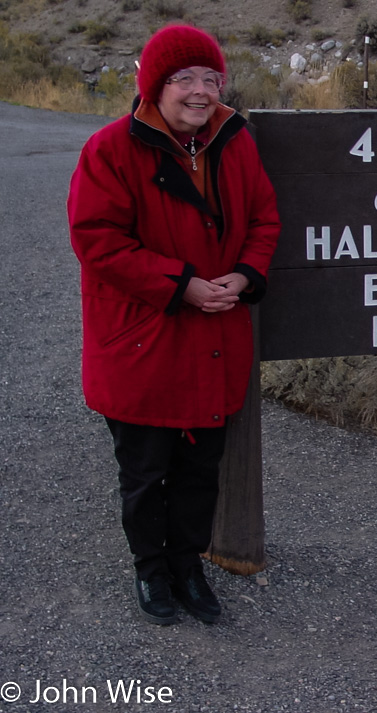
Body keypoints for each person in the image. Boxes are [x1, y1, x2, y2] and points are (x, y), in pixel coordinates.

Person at [67, 24, 281, 625]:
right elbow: (98, 242)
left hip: (214, 339)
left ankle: (188, 566)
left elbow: (265, 218)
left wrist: (243, 276)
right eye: (183, 78)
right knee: (144, 472)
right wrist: (180, 285)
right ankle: (151, 572)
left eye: (210, 78)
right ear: (153, 86)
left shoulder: (234, 143)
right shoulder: (111, 150)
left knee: (198, 469)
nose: (199, 92)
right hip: (143, 342)